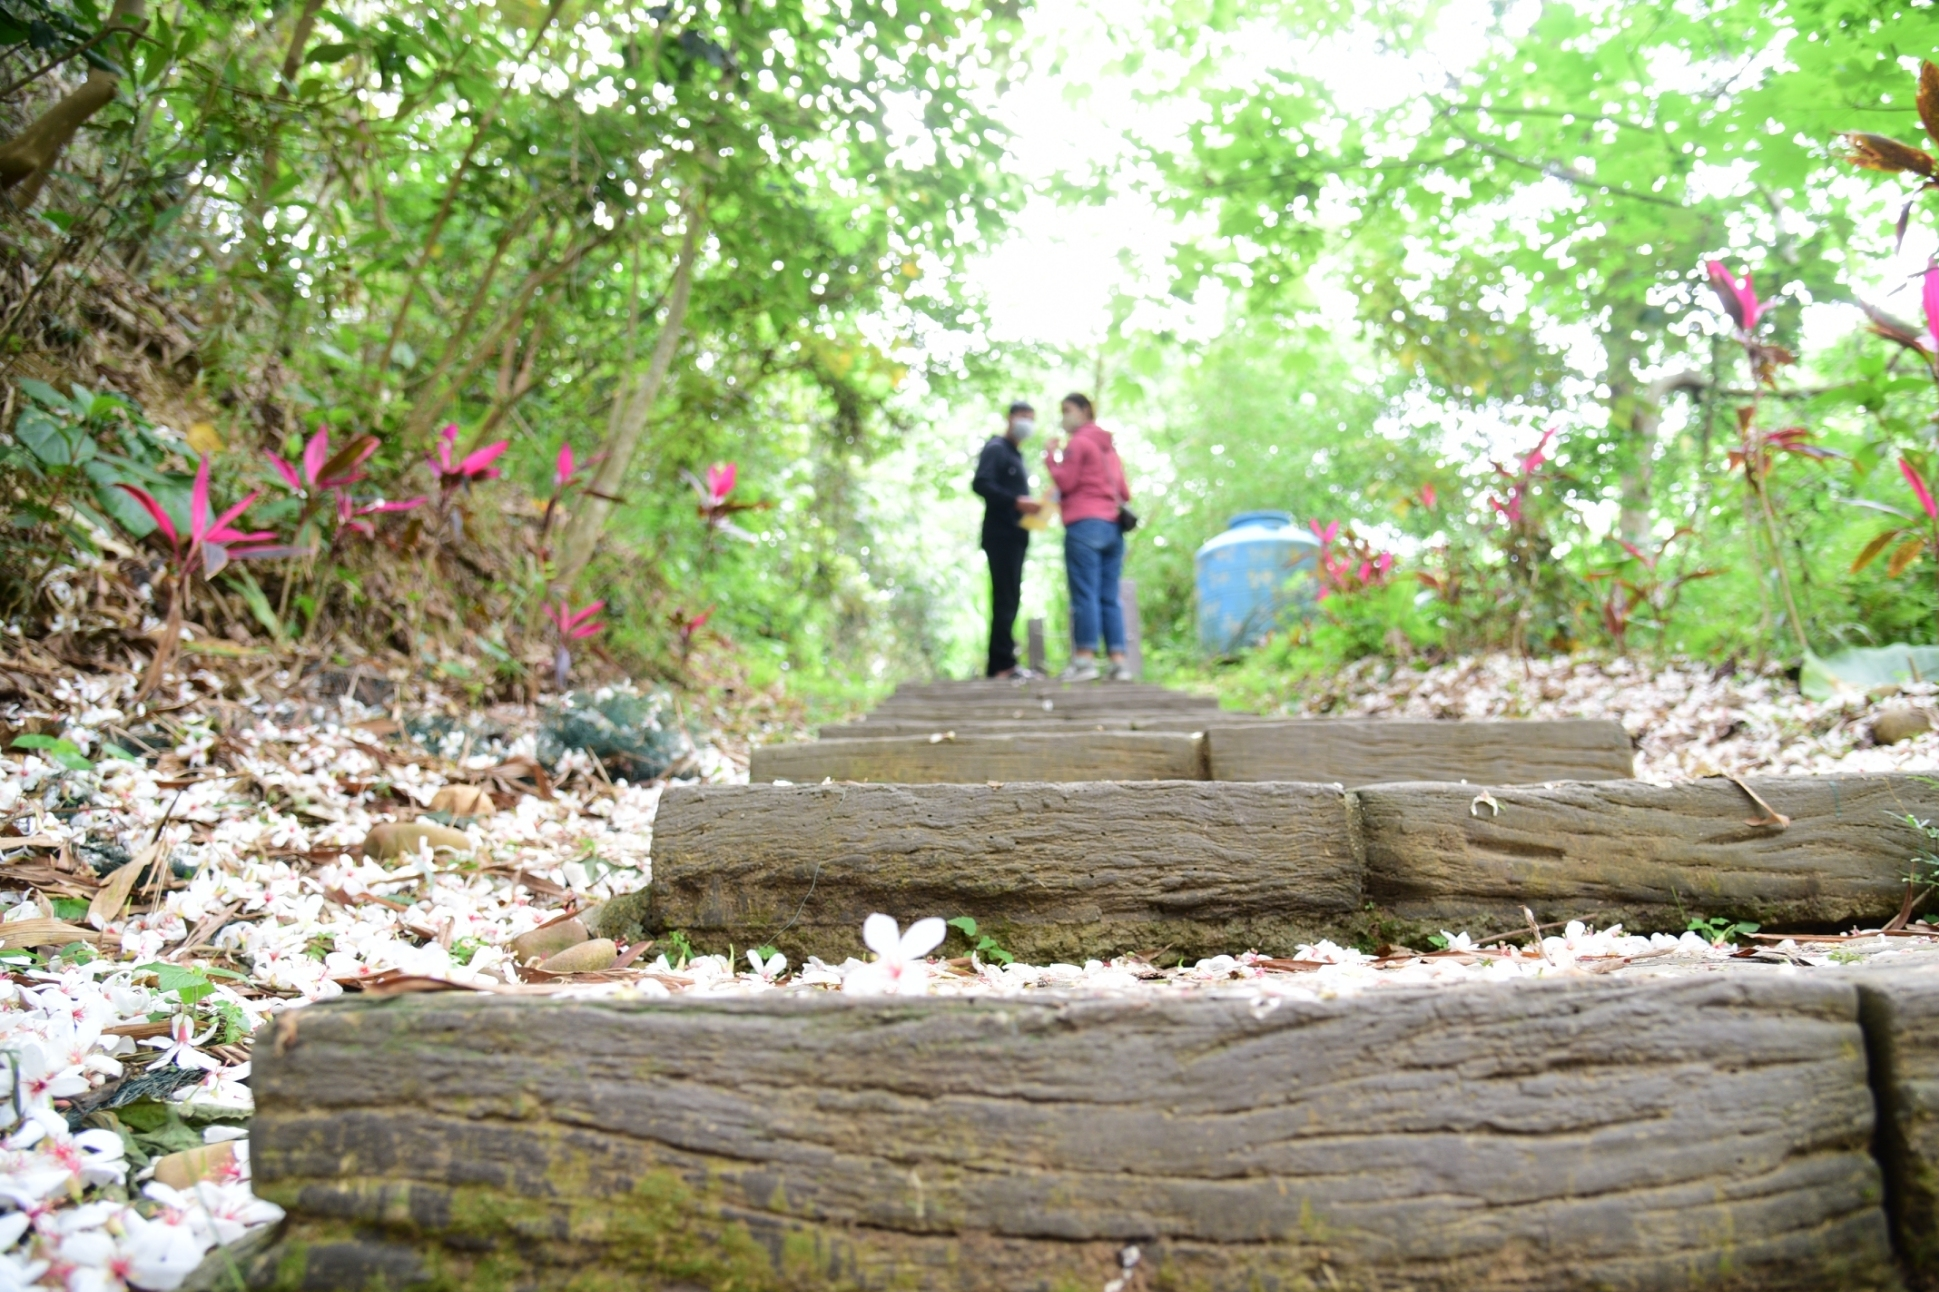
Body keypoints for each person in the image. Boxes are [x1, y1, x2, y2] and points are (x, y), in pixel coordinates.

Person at [1043, 392, 1131, 682]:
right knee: (1109, 596)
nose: (1063, 416)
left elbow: (1066, 481)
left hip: (1084, 524)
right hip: (1113, 527)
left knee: (1085, 594)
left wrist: (1051, 457)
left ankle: (1085, 661)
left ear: (1084, 411)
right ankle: (1119, 663)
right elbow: (1125, 493)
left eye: (1067, 409)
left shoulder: (1078, 443)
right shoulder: (1109, 448)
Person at [971, 401, 1044, 678]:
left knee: (1010, 597)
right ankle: (1002, 665)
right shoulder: (997, 448)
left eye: (1032, 418)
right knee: (1005, 598)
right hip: (1001, 535)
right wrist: (1016, 502)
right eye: (1024, 416)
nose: (1027, 422)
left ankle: (1000, 665)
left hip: (1015, 536)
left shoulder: (1015, 454)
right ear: (1011, 418)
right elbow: (981, 483)